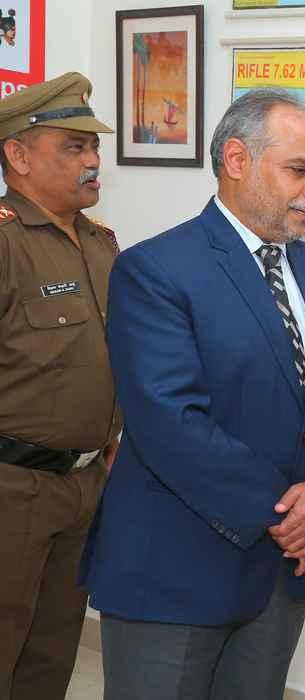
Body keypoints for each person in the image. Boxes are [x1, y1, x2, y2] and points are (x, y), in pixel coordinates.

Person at [79, 88, 305, 700]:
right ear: (237, 160)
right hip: (174, 572)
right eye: (299, 170)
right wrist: (289, 515)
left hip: (282, 573)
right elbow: (170, 422)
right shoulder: (156, 269)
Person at [0, 71, 120, 700]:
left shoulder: (101, 245)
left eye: (93, 147)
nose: (92, 161)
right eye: (73, 147)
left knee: (50, 656)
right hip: (11, 489)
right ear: (18, 156)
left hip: (81, 485)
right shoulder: (5, 243)